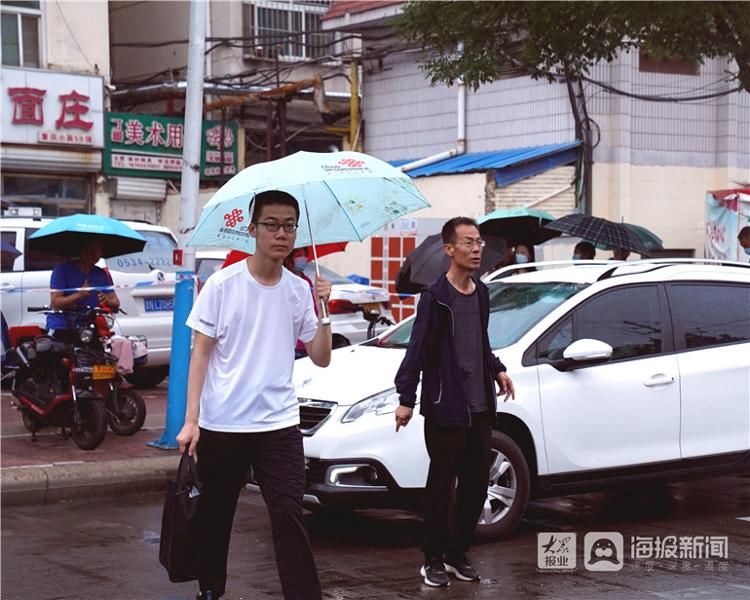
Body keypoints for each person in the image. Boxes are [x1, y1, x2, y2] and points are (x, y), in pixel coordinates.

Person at [176, 190, 332, 600]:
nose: (281, 234)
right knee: (216, 514)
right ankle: (210, 589)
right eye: (272, 225)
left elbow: (320, 358)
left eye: (289, 226)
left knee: (288, 513)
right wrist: (191, 420)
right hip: (223, 422)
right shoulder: (223, 285)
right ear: (253, 230)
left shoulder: (299, 290)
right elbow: (200, 355)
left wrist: (324, 310)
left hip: (278, 425)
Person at [393, 216, 515, 587]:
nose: (477, 249)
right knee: (441, 485)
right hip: (446, 405)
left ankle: (457, 553)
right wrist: (405, 397)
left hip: (480, 406)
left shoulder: (480, 292)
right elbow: (418, 349)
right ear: (450, 249)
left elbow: (479, 339)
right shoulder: (435, 298)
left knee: (477, 484)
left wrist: (497, 369)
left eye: (478, 242)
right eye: (468, 243)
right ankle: (432, 558)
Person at [47, 239, 120, 343]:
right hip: (62, 326)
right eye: (88, 249)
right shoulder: (62, 270)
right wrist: (79, 294)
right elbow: (55, 302)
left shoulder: (100, 274)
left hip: (88, 327)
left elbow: (116, 302)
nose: (92, 253)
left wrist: (107, 300)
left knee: (98, 356)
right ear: (80, 250)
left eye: (96, 249)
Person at [283, 247, 318, 358]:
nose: (303, 259)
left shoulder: (306, 281)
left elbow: (313, 310)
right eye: (298, 256)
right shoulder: (283, 281)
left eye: (304, 255)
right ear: (289, 259)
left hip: (308, 343)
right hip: (291, 345)